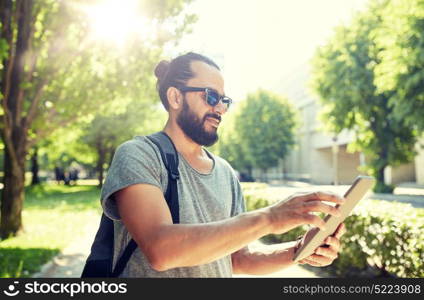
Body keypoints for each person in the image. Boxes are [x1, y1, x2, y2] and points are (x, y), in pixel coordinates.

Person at [101, 52, 346, 277]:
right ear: (175, 97)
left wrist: (300, 250)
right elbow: (161, 250)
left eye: (224, 100)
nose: (220, 109)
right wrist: (269, 218)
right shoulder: (138, 155)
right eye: (211, 96)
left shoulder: (226, 173)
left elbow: (239, 259)